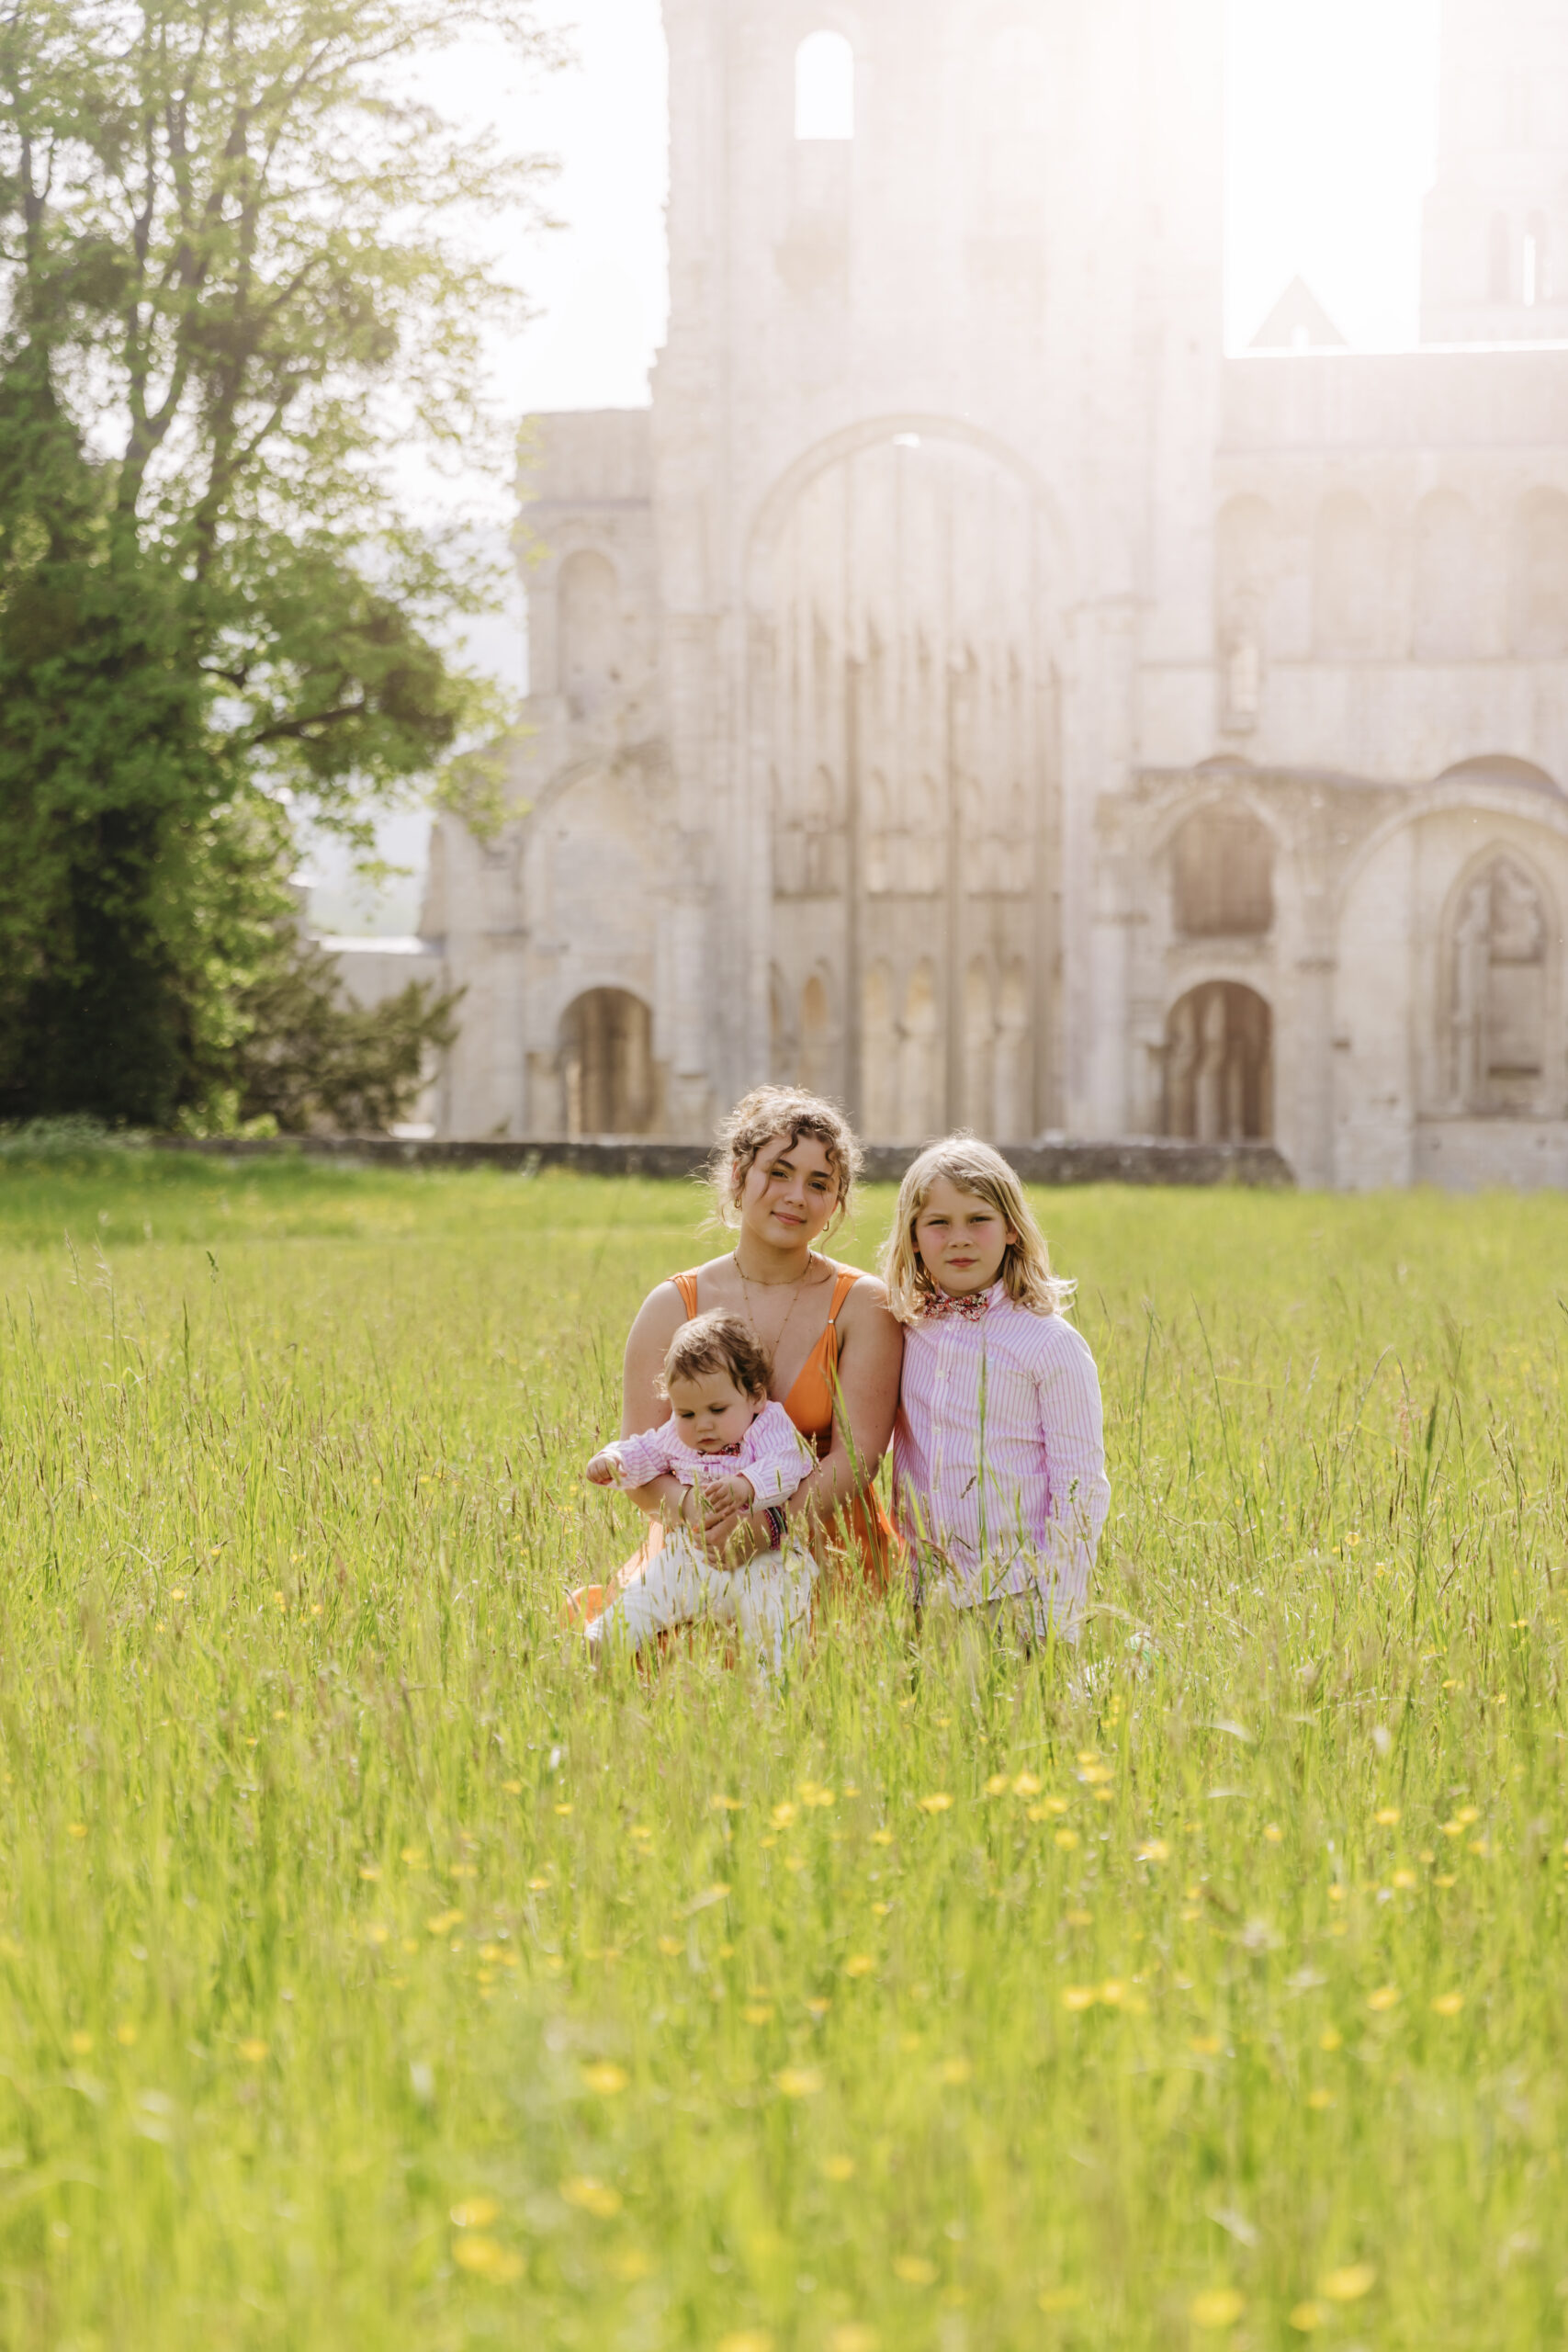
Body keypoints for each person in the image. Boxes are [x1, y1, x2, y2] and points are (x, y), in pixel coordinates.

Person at [570, 1086, 903, 1644]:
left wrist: (769, 1526)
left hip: (825, 1538)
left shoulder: (863, 1305)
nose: (796, 1195)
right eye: (778, 1172)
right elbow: (639, 1459)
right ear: (737, 1177)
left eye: (819, 1184)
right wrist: (701, 1515)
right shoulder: (672, 1305)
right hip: (698, 1545)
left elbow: (860, 1455)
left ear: (836, 1202)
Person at [881, 1135, 1110, 1643]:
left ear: (1010, 1229)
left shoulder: (1049, 1344)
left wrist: (1057, 1618)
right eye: (938, 1223)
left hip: (1017, 1597)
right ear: (913, 1237)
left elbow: (1081, 1487)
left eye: (977, 1219)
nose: (959, 1238)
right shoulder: (903, 1329)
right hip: (920, 1595)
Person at [583, 1315, 817, 1665]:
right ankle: (602, 1643)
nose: (702, 1424)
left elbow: (791, 1460)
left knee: (774, 1625)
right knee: (647, 1597)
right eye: (686, 1413)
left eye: (717, 1410)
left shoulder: (767, 1424)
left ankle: (773, 1693)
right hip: (691, 1557)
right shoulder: (677, 1435)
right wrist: (614, 1460)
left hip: (766, 1560)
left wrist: (747, 1486)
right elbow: (646, 1450)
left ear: (755, 1397)